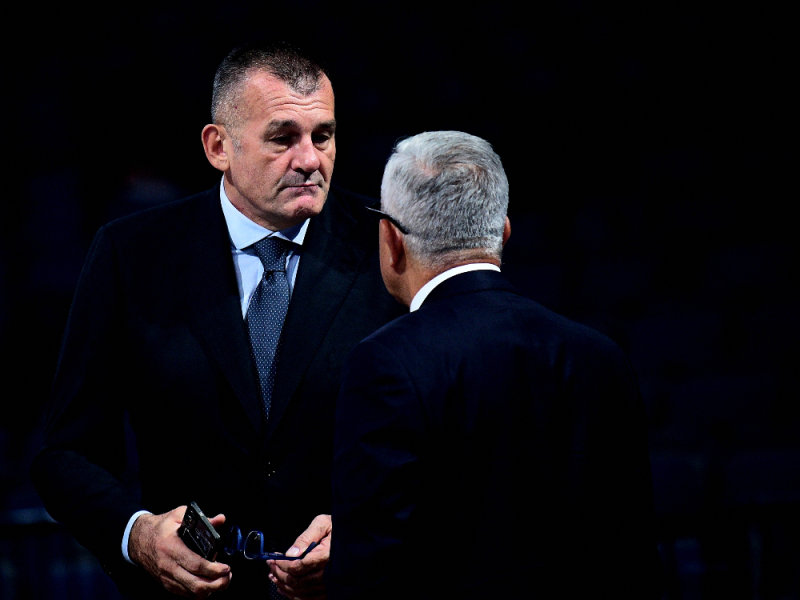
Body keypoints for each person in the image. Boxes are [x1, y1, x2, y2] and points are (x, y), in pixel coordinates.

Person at [31, 43, 405, 599]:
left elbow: (449, 437)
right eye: (283, 138)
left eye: (323, 136)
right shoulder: (130, 256)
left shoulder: (391, 242)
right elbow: (67, 454)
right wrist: (139, 536)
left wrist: (367, 534)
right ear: (219, 147)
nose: (310, 159)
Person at [326, 131, 664, 599]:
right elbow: (635, 555)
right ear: (503, 232)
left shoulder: (385, 363)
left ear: (391, 239)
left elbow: (370, 570)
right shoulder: (601, 356)